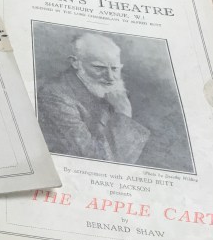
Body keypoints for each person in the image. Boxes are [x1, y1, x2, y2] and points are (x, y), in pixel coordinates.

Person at [37, 32, 149, 163]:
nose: (110, 77)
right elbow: (96, 158)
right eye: (99, 68)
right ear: (75, 63)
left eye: (114, 69)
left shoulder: (115, 92)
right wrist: (123, 115)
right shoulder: (55, 96)